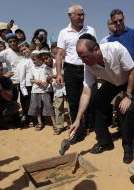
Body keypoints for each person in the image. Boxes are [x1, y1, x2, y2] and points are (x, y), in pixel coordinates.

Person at [69, 34, 134, 164]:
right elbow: (86, 92)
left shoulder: (116, 48)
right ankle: (105, 142)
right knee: (95, 105)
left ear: (96, 49)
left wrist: (128, 96)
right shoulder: (88, 65)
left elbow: (132, 72)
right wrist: (78, 119)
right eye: (80, 58)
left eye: (85, 57)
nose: (83, 61)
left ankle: (128, 146)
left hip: (130, 79)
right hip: (112, 82)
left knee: (127, 109)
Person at [56, 4, 96, 142]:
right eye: (79, 15)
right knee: (73, 102)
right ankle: (78, 132)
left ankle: (90, 126)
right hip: (71, 70)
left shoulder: (90, 30)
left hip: (87, 68)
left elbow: (94, 49)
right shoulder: (63, 33)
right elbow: (60, 54)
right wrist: (59, 73)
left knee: (90, 99)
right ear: (70, 16)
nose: (82, 17)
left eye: (83, 14)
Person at [28, 50, 57, 133]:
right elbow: (31, 80)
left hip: (46, 90)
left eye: (35, 59)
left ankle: (54, 123)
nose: (34, 61)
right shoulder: (32, 68)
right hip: (35, 90)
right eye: (32, 60)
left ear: (40, 59)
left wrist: (46, 82)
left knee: (49, 106)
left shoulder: (46, 67)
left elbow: (49, 78)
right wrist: (36, 81)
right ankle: (39, 122)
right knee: (37, 107)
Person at [108, 9, 134, 73]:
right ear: (112, 22)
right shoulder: (110, 39)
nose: (118, 23)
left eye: (120, 20)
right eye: (115, 21)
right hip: (119, 74)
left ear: (124, 18)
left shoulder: (133, 33)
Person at [0, 59, 20, 128]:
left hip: (2, 105)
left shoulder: (6, 80)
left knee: (15, 105)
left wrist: (1, 90)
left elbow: (9, 98)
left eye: (1, 70)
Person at [17, 41, 34, 125]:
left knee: (36, 103)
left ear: (29, 48)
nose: (24, 51)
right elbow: (22, 77)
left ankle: (37, 119)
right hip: (27, 86)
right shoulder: (22, 62)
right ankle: (29, 120)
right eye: (22, 51)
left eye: (25, 49)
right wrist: (23, 90)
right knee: (27, 104)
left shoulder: (35, 58)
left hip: (36, 85)